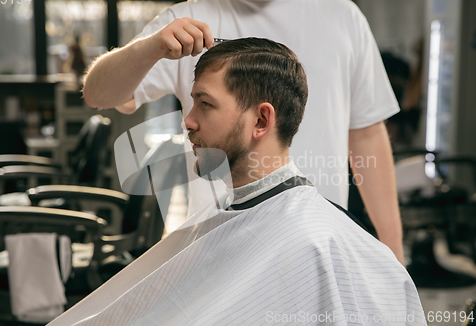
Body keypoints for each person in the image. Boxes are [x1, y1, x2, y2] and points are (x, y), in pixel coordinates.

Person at [50, 38, 425, 326]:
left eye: (205, 104)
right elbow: (98, 91)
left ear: (261, 121)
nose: (188, 121)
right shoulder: (232, 213)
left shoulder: (314, 242)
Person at [82, 0, 405, 264]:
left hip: (316, 248)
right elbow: (98, 94)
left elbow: (366, 136)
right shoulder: (188, 18)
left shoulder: (343, 17)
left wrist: (391, 250)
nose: (188, 123)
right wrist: (148, 48)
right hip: (219, 253)